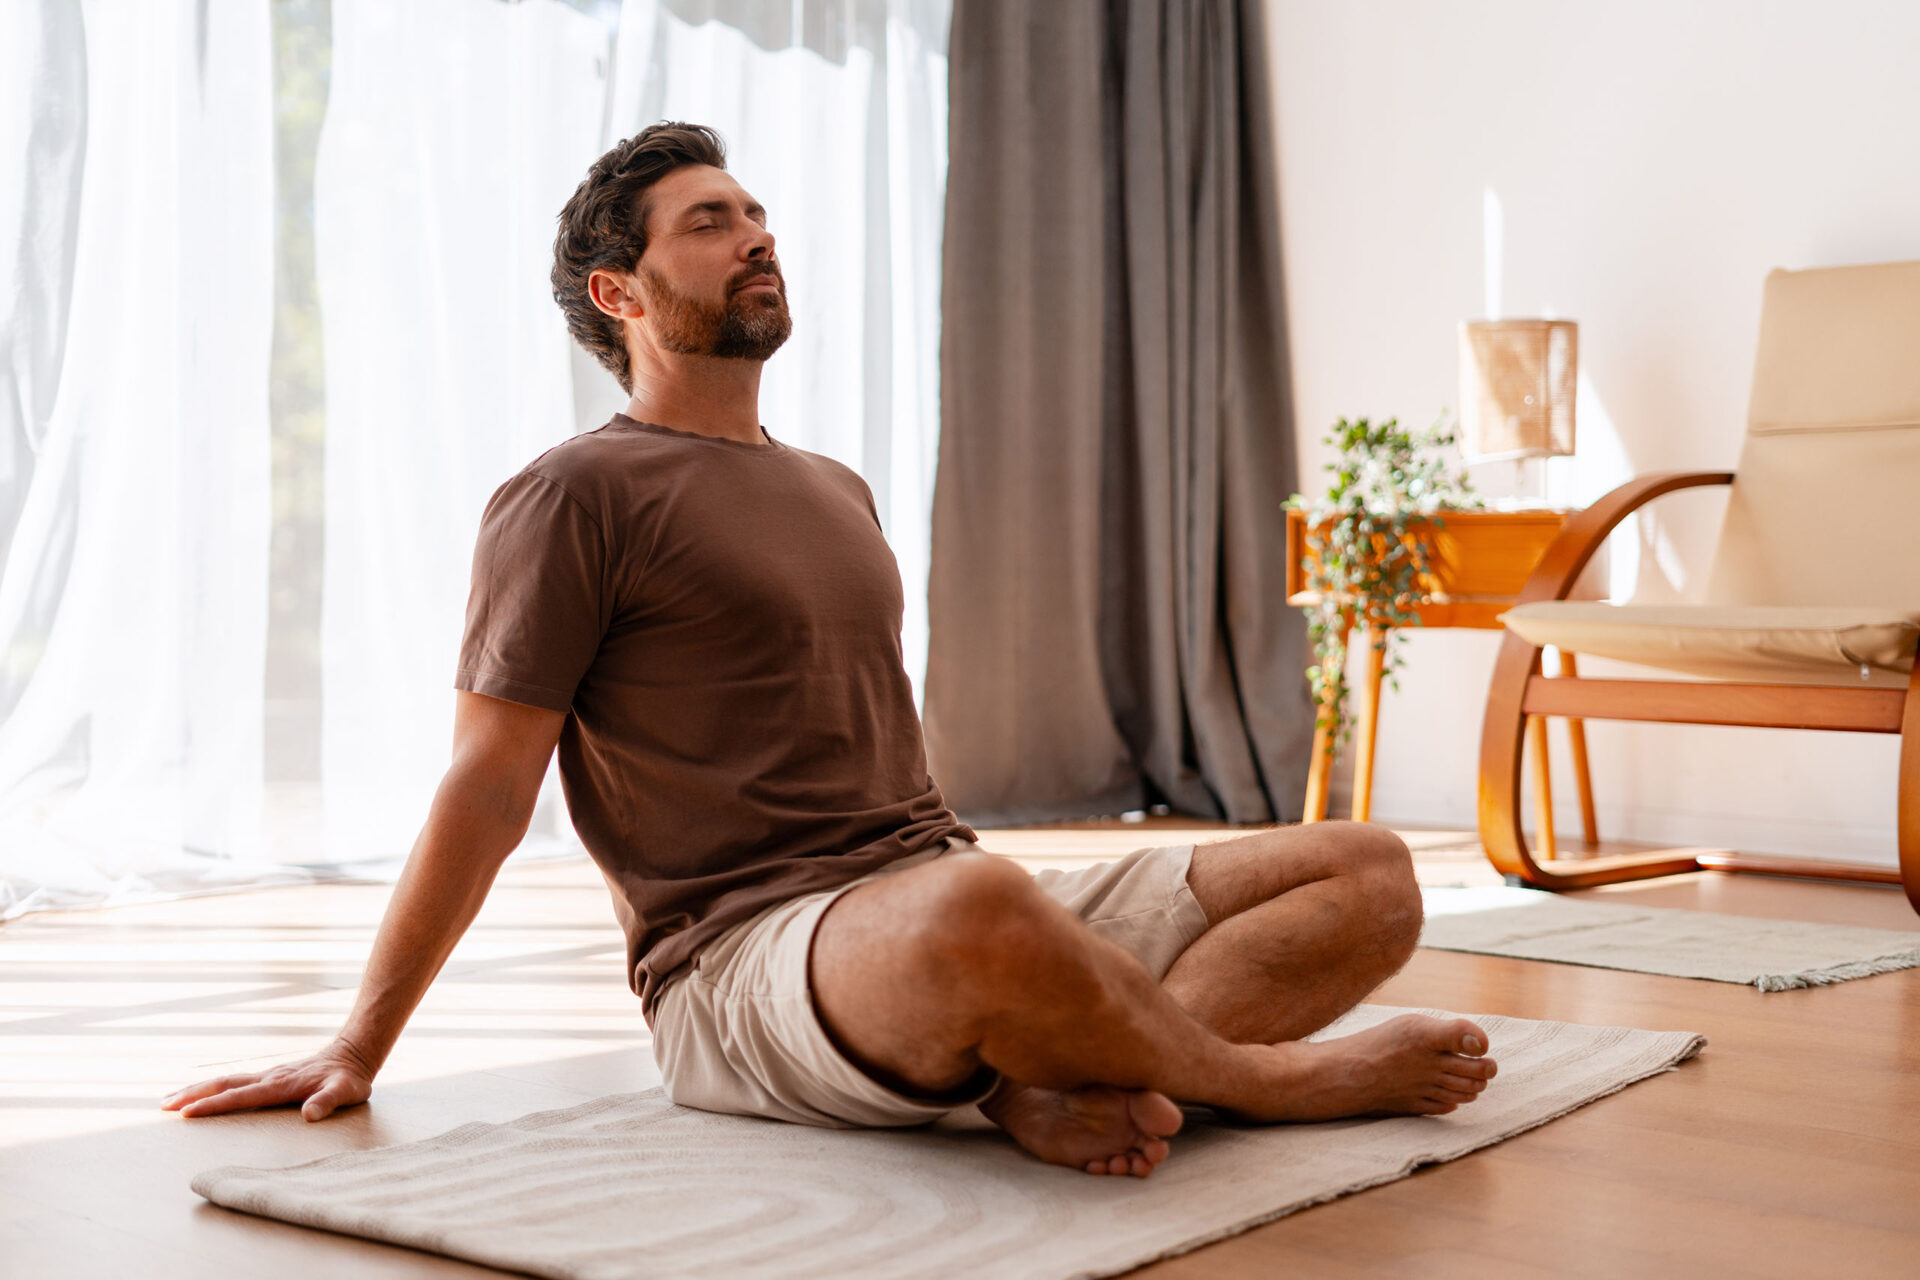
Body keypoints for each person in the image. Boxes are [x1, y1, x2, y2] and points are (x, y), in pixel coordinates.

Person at [164, 123, 1496, 1179]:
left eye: (757, 218)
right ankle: (1258, 1081)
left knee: (1365, 871)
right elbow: (488, 783)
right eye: (712, 223)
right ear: (620, 290)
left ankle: (1047, 1079)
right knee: (985, 910)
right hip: (743, 965)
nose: (758, 240)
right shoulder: (572, 495)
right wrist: (359, 1041)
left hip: (929, 900)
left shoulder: (836, 486)